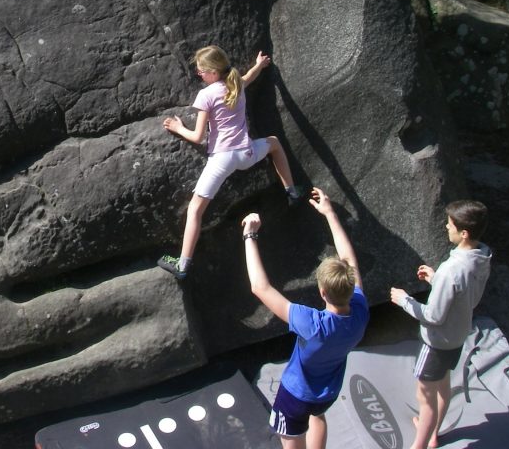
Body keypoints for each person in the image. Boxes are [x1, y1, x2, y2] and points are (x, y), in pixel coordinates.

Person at [244, 188, 369, 449]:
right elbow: (348, 259)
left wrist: (250, 235)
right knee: (317, 416)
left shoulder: (312, 324)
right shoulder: (360, 310)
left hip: (294, 395)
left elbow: (260, 287)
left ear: (322, 292)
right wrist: (329, 213)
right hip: (327, 393)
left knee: (291, 440)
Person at [157, 46, 297, 279]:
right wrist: (260, 65)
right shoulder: (235, 83)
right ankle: (292, 191)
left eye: (201, 71)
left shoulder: (207, 95)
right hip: (247, 154)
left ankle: (182, 265)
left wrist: (178, 127)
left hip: (221, 160)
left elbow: (198, 137)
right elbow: (248, 77)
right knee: (274, 143)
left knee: (195, 209)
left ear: (213, 72)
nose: (198, 74)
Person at [390, 200, 491, 449]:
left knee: (425, 399)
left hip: (436, 343)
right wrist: (437, 281)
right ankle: (433, 433)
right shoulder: (482, 258)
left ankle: (421, 444)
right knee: (443, 386)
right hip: (457, 338)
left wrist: (405, 301)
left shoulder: (451, 270)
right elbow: (466, 297)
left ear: (463, 232)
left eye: (450, 224)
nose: (446, 226)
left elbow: (434, 316)